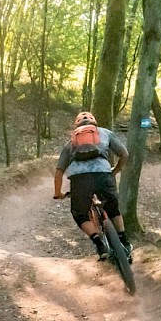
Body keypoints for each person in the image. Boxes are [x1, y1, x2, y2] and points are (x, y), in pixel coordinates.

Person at [53, 111, 130, 260]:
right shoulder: (105, 133)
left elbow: (59, 171)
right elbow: (124, 154)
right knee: (113, 210)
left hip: (79, 180)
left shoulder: (71, 142)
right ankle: (124, 242)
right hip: (103, 175)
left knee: (80, 215)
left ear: (77, 127)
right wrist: (116, 170)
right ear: (94, 123)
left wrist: (58, 192)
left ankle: (99, 244)